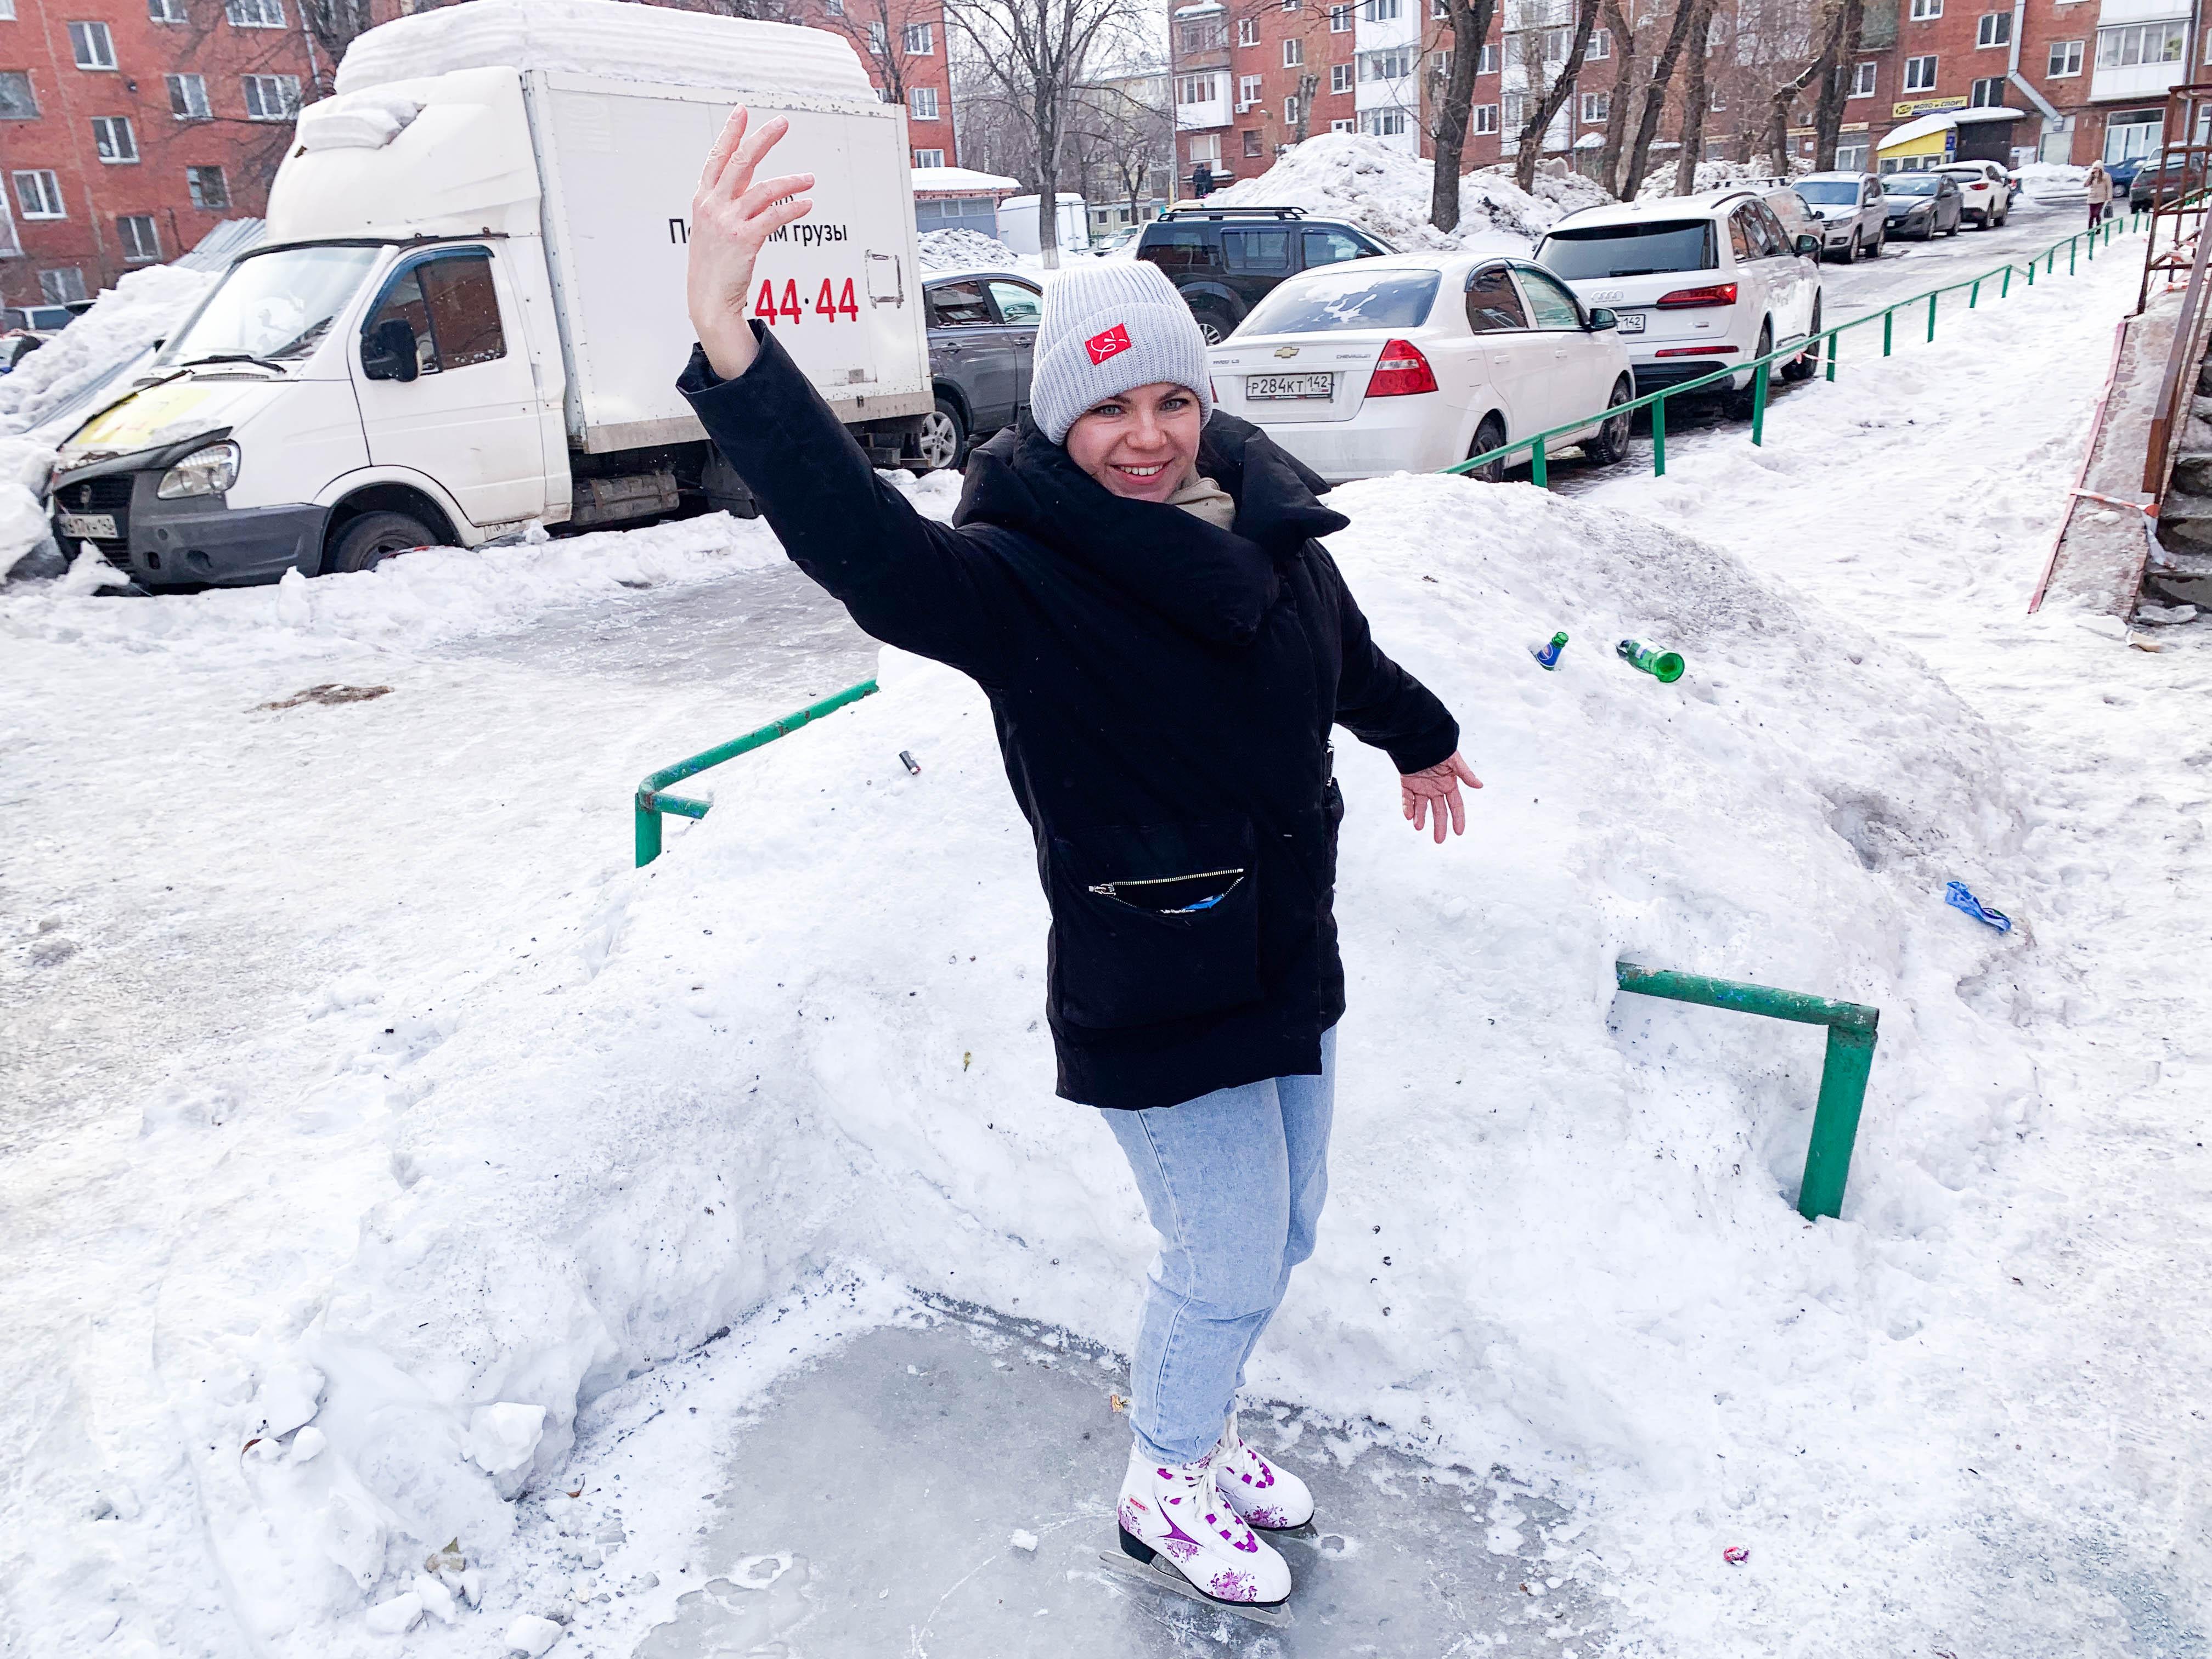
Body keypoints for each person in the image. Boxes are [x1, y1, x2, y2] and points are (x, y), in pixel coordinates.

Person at [678, 110, 1479, 1612]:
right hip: (1156, 974)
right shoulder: (1019, 581)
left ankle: (1203, 1428)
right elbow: (864, 547)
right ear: (1057, 422)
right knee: (1224, 1255)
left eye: (1172, 398)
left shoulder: (1267, 529)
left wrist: (1419, 738)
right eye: (1109, 408)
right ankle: (1163, 1484)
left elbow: (1345, 660)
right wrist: (732, 339)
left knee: (1281, 1235)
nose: (1148, 436)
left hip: (1284, 951)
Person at [2086, 160, 2113, 228]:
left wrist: (2109, 199)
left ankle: (2098, 227)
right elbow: (2086, 184)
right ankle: (2090, 230)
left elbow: (2109, 188)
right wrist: (2091, 176)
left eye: (2097, 168)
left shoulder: (2106, 176)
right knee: (2092, 215)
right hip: (2092, 198)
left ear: (2101, 168)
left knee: (2097, 213)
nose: (2096, 170)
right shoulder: (2093, 176)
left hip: (2101, 198)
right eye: (2094, 168)